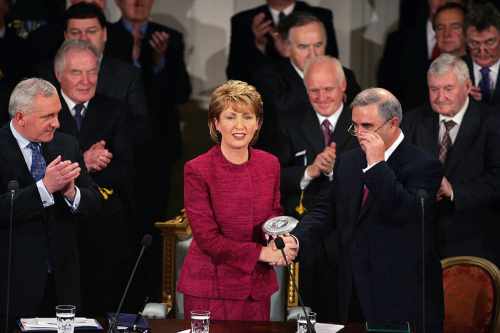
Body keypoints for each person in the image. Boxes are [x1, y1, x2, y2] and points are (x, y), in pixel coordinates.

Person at [293, 88, 444, 332]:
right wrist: (296, 239)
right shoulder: (349, 160)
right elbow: (325, 210)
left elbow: (405, 213)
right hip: (350, 293)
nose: (359, 134)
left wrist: (376, 165)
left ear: (393, 123)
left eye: (367, 126)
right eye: (355, 126)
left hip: (398, 298)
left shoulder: (424, 165)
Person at [177, 80, 298, 320]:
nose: (240, 126)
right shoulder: (198, 169)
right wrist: (261, 253)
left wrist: (281, 240)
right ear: (216, 123)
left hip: (256, 290)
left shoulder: (270, 164)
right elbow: (207, 239)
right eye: (231, 117)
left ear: (258, 123)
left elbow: (273, 214)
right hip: (211, 291)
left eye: (248, 117)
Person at [0, 78, 100, 327]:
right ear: (21, 117)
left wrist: (71, 192)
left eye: (57, 114)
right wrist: (44, 188)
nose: (56, 123)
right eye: (48, 116)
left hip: (62, 285)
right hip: (11, 285)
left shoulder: (66, 144)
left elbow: (94, 201)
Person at [54, 39, 135, 315]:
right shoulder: (44, 113)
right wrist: (85, 162)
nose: (86, 81)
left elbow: (124, 168)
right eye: (77, 72)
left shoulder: (116, 110)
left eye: (93, 72)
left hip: (103, 226)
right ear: (59, 75)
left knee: (101, 308)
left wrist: (74, 169)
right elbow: (38, 169)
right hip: (56, 225)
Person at [276, 55, 358, 321]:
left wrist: (337, 170)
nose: (321, 96)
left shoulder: (363, 121)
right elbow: (273, 175)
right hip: (304, 237)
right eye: (314, 90)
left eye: (328, 89)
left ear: (343, 86)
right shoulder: (287, 121)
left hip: (348, 235)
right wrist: (309, 171)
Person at [403, 53, 500, 267]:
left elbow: (496, 180)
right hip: (419, 240)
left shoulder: (492, 122)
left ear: (467, 86)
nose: (440, 97)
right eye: (433, 89)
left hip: (474, 240)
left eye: (448, 89)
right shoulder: (412, 120)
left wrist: (454, 191)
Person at [252, 12, 360, 153]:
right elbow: (281, 115)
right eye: (303, 47)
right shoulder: (268, 78)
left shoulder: (344, 74)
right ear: (286, 48)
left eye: (318, 45)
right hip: (291, 161)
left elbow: (359, 116)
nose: (312, 54)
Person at [226, 0, 338, 84]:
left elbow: (331, 61)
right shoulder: (243, 20)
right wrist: (259, 46)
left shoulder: (320, 16)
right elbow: (235, 74)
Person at [464, 2, 500, 106]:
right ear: (465, 40)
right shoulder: (451, 71)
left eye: (490, 42)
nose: (482, 51)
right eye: (474, 43)